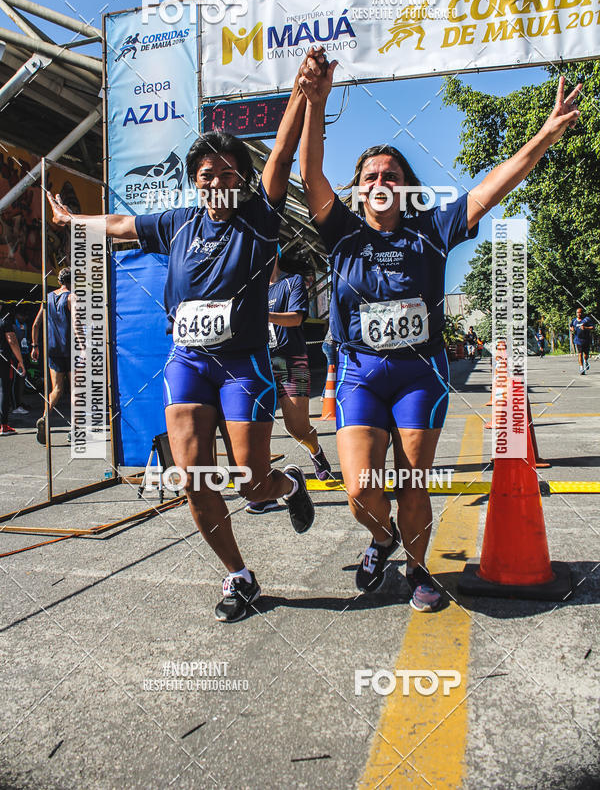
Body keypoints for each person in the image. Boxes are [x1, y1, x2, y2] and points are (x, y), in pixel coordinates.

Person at [298, 46, 581, 613]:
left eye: (393, 174)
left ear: (405, 188)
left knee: (413, 481)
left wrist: (546, 135)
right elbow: (307, 172)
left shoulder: (432, 230)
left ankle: (418, 571)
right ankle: (381, 538)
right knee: (359, 490)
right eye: (371, 174)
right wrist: (315, 102)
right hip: (359, 376)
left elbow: (494, 185)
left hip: (418, 378)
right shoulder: (342, 232)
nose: (381, 179)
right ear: (357, 189)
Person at [47, 62, 316, 624]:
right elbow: (122, 226)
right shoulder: (177, 224)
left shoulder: (258, 221)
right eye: (205, 174)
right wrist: (76, 223)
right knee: (192, 480)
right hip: (187, 363)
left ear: (243, 179)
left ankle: (288, 484)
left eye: (226, 172)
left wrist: (301, 93)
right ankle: (239, 577)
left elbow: (284, 157)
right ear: (195, 181)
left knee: (252, 485)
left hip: (243, 366)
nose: (215, 181)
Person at [246, 249, 332, 515]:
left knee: (298, 428)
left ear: (275, 255)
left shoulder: (291, 282)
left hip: (291, 360)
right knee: (255, 427)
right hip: (260, 362)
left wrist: (261, 316)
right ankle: (264, 490)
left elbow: (295, 318)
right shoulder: (251, 287)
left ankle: (315, 451)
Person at [31, 267, 72, 444]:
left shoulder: (47, 298)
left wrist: (35, 346)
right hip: (71, 349)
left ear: (59, 281)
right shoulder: (71, 297)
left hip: (52, 349)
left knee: (57, 388)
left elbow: (36, 325)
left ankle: (46, 416)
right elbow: (78, 325)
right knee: (76, 390)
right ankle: (75, 429)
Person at [0, 304, 26, 435]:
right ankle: (3, 426)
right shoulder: (4, 321)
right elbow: (12, 340)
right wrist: (20, 360)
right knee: (4, 389)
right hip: (3, 359)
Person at [570, 307, 594, 374]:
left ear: (582, 313)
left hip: (586, 340)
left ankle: (586, 361)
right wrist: (571, 329)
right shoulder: (574, 321)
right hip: (578, 340)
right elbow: (570, 326)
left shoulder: (587, 319)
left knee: (586, 355)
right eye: (577, 312)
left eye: (580, 312)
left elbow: (592, 327)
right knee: (580, 354)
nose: (579, 314)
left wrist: (585, 328)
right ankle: (581, 368)